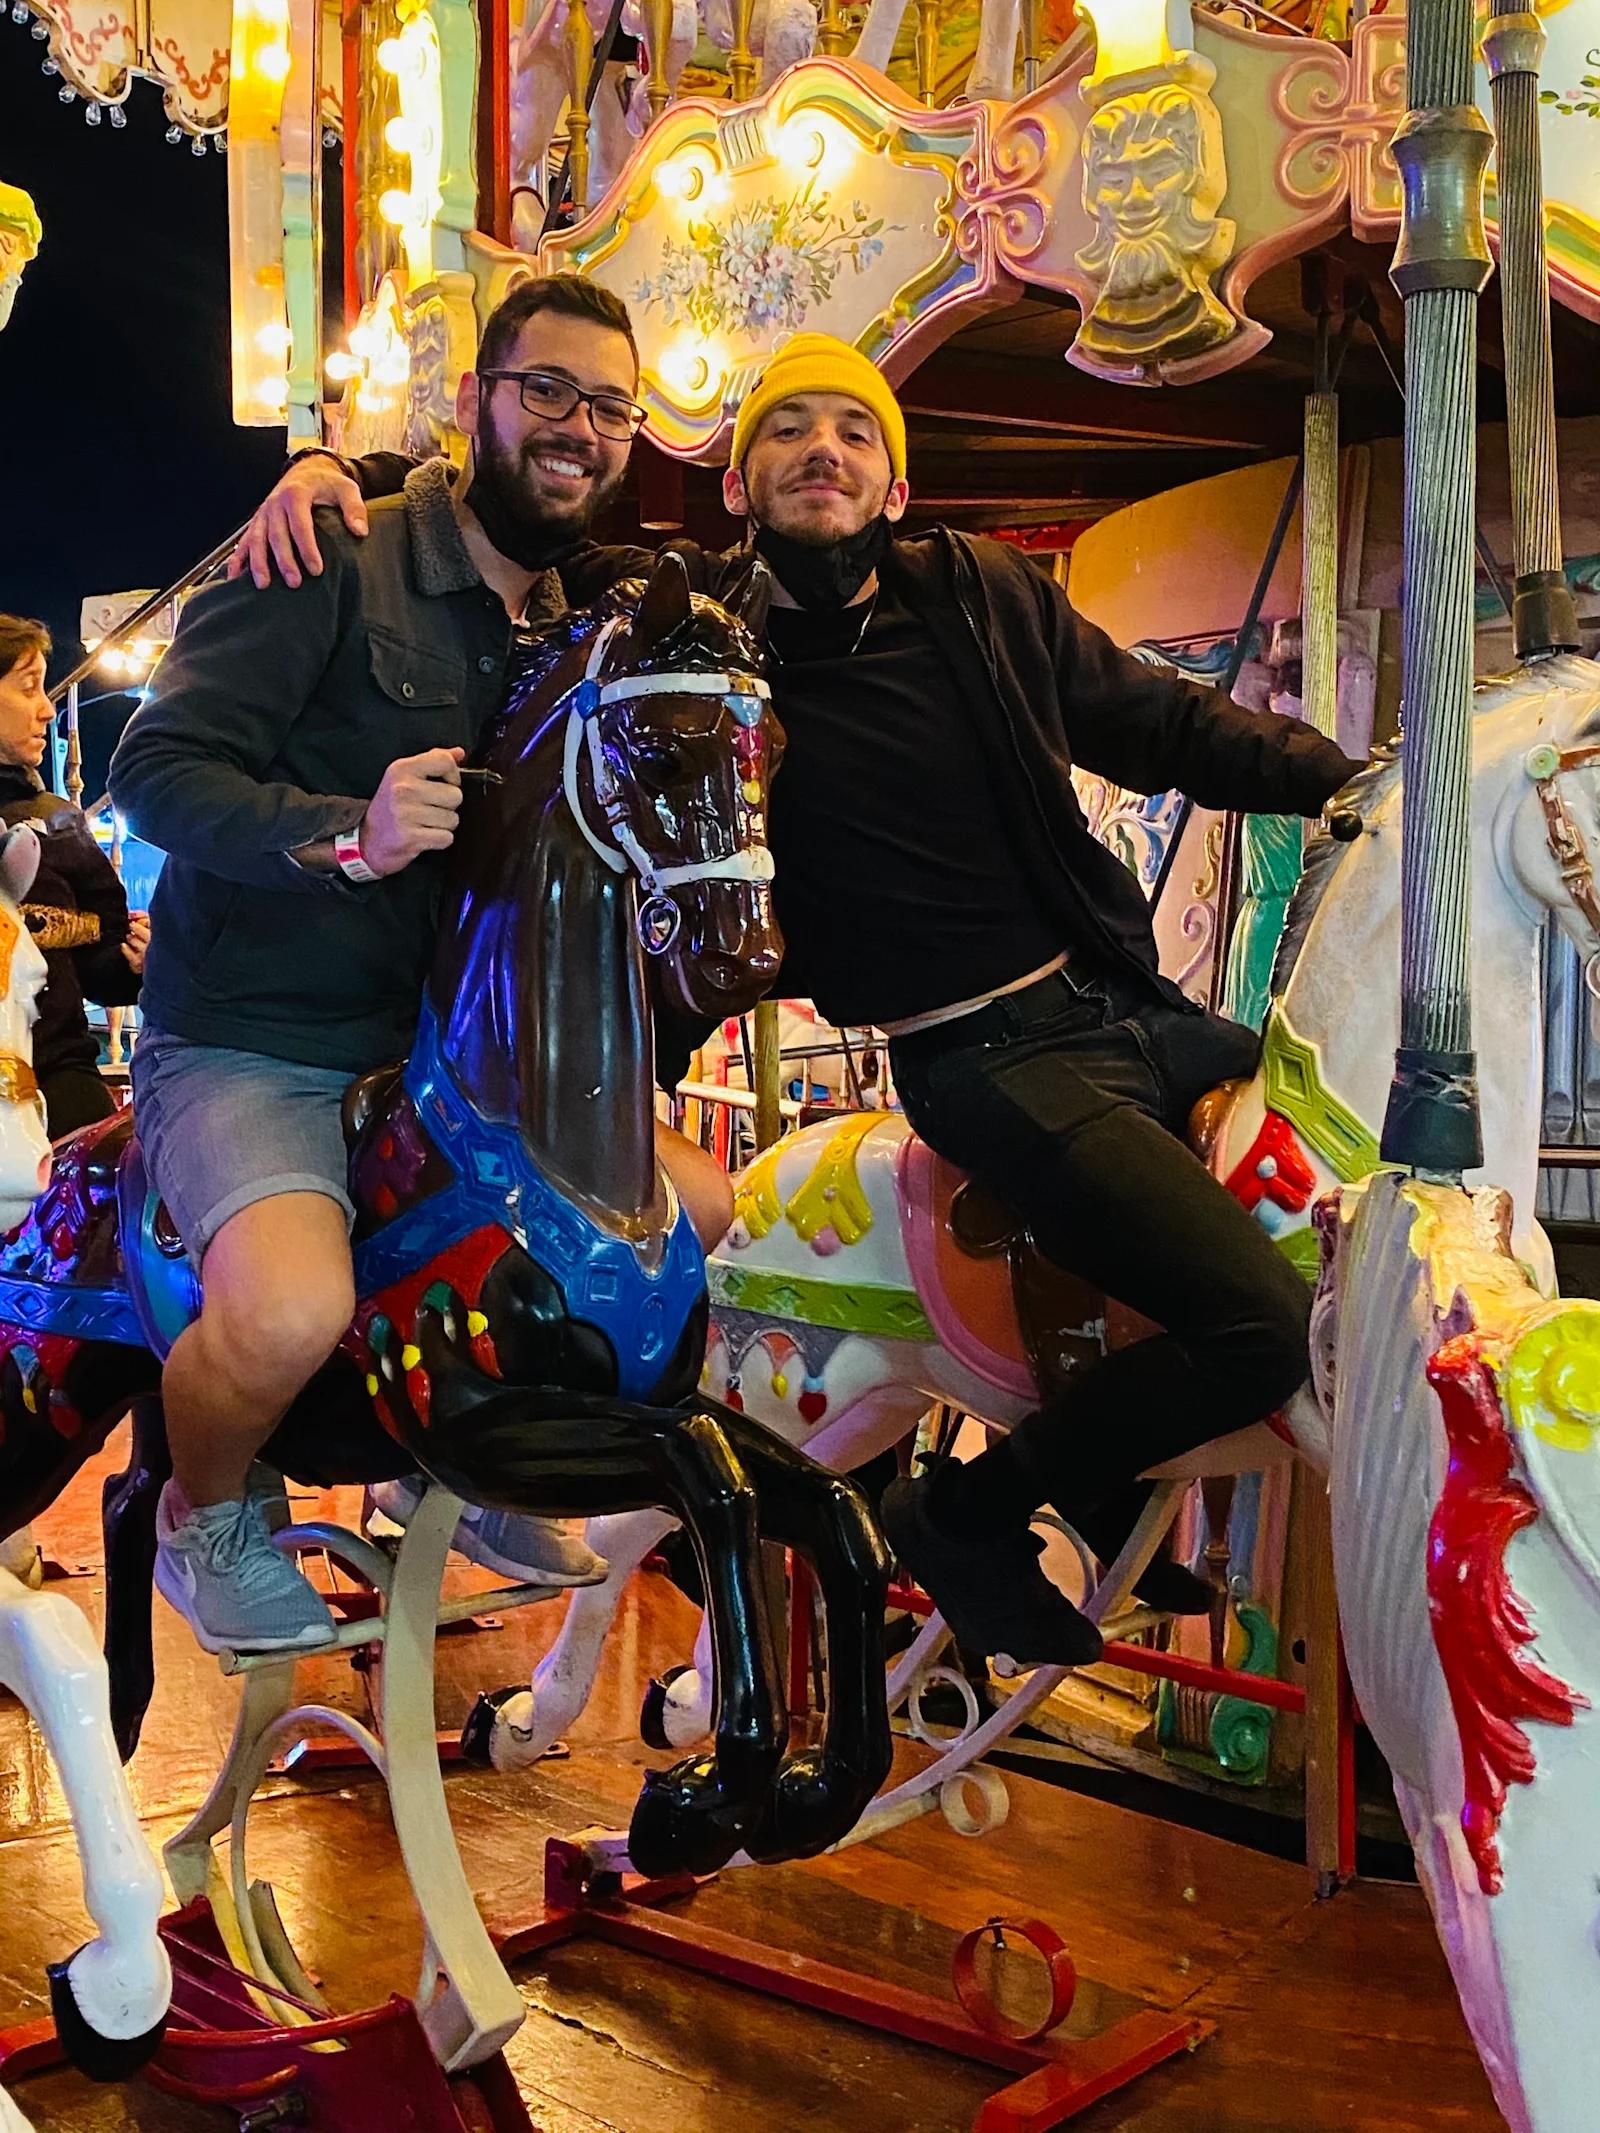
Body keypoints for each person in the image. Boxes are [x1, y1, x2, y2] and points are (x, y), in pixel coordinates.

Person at [239, 331, 1361, 1671]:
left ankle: (1119, 1475)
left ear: (893, 485)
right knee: (1263, 1324)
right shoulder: (693, 622)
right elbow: (504, 510)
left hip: (1131, 1003)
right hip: (985, 1055)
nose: (820, 449)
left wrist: (1340, 778)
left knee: (1347, 1203)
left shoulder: (984, 594)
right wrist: (333, 469)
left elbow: (1162, 724)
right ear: (736, 483)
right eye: (785, 430)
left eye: (852, 431)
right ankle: (971, 1511)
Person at [108, 275, 734, 1655]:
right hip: (262, 1030)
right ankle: (202, 1516)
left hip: (446, 1054)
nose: (581, 427)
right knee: (289, 1309)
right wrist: (352, 836)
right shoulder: (329, 554)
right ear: (477, 405)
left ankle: (483, 1459)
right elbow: (151, 773)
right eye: (550, 393)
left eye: (612, 405)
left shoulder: (583, 612)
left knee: (703, 1215)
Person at [0, 616, 147, 1135]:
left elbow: (101, 967)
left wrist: (135, 959)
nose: (47, 709)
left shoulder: (56, 820)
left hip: (54, 1079)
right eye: (28, 688)